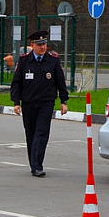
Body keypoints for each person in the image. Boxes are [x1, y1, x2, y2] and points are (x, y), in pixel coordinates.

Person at [11, 30, 69, 177]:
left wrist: (64, 101)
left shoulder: (53, 60)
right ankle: (34, 164)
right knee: (30, 134)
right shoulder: (24, 60)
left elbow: (60, 81)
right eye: (39, 45)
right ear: (32, 45)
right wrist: (16, 102)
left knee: (41, 133)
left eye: (44, 44)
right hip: (28, 103)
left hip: (46, 103)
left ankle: (37, 165)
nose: (42, 47)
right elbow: (16, 83)